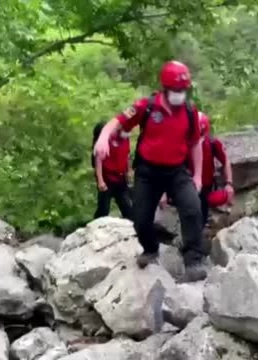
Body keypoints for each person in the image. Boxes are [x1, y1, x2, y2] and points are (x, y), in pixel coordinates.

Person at [93, 60, 207, 282]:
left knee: (192, 210)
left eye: (183, 90)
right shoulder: (147, 106)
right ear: (165, 88)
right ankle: (151, 248)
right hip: (148, 171)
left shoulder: (190, 112)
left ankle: (193, 261)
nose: (179, 94)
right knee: (140, 219)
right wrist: (104, 139)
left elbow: (195, 144)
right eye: (176, 90)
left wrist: (198, 175)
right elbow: (115, 122)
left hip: (176, 171)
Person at [160, 112, 234, 225]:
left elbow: (226, 161)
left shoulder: (213, 143)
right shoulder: (181, 144)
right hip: (185, 185)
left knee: (202, 216)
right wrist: (163, 191)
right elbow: (167, 166)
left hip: (205, 188)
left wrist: (229, 183)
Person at [91, 121, 134, 220]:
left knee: (128, 208)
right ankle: (94, 228)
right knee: (103, 209)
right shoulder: (107, 139)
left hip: (120, 178)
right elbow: (98, 160)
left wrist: (129, 171)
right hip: (107, 178)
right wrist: (100, 180)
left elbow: (127, 156)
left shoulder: (126, 139)